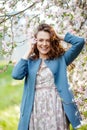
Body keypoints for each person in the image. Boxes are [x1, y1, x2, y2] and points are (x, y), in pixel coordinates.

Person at [12, 23, 85, 130]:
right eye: (41, 40)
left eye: (48, 40)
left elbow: (80, 42)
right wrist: (29, 51)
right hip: (35, 107)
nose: (44, 44)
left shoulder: (61, 59)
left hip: (56, 106)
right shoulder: (30, 61)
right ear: (35, 41)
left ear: (52, 41)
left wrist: (57, 35)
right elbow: (16, 75)